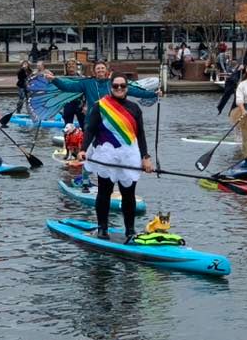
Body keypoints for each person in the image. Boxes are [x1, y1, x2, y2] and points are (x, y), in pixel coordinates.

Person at [78, 73, 153, 242]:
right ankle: (103, 228)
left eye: (122, 86)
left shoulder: (134, 108)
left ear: (127, 88)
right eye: (116, 86)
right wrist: (83, 149)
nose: (119, 89)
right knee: (104, 192)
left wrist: (145, 157)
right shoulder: (100, 106)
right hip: (106, 154)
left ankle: (130, 230)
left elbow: (140, 134)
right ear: (111, 88)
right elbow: (90, 129)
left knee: (129, 194)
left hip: (129, 156)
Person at [44, 60, 160, 109]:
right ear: (94, 71)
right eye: (98, 69)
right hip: (93, 118)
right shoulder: (87, 83)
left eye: (102, 68)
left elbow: (135, 92)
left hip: (112, 117)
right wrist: (54, 79)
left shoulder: (114, 84)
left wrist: (153, 94)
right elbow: (67, 87)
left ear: (106, 71)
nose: (100, 70)